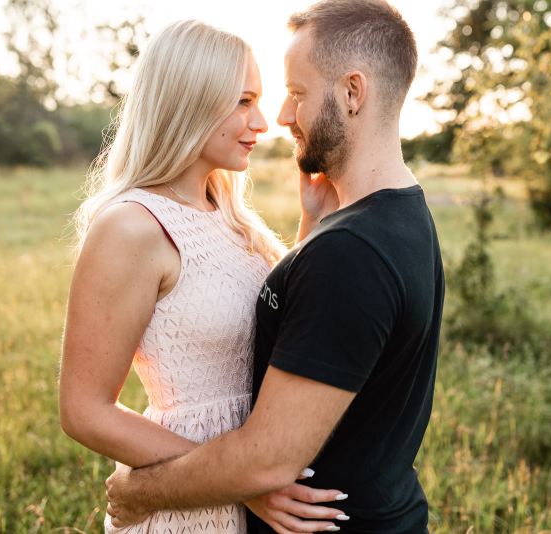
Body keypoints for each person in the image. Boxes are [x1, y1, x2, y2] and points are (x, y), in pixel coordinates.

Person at [105, 1, 445, 533]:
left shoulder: (351, 252)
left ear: (352, 92)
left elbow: (266, 461)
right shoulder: (404, 213)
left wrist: (136, 490)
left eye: (297, 93)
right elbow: (314, 322)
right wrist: (311, 234)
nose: (281, 117)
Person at [59, 19, 351, 534]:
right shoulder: (132, 225)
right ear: (189, 101)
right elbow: (85, 411)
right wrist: (237, 478)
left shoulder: (228, 212)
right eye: (243, 101)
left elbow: (268, 318)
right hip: (189, 497)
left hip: (250, 474)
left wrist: (311, 225)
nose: (261, 122)